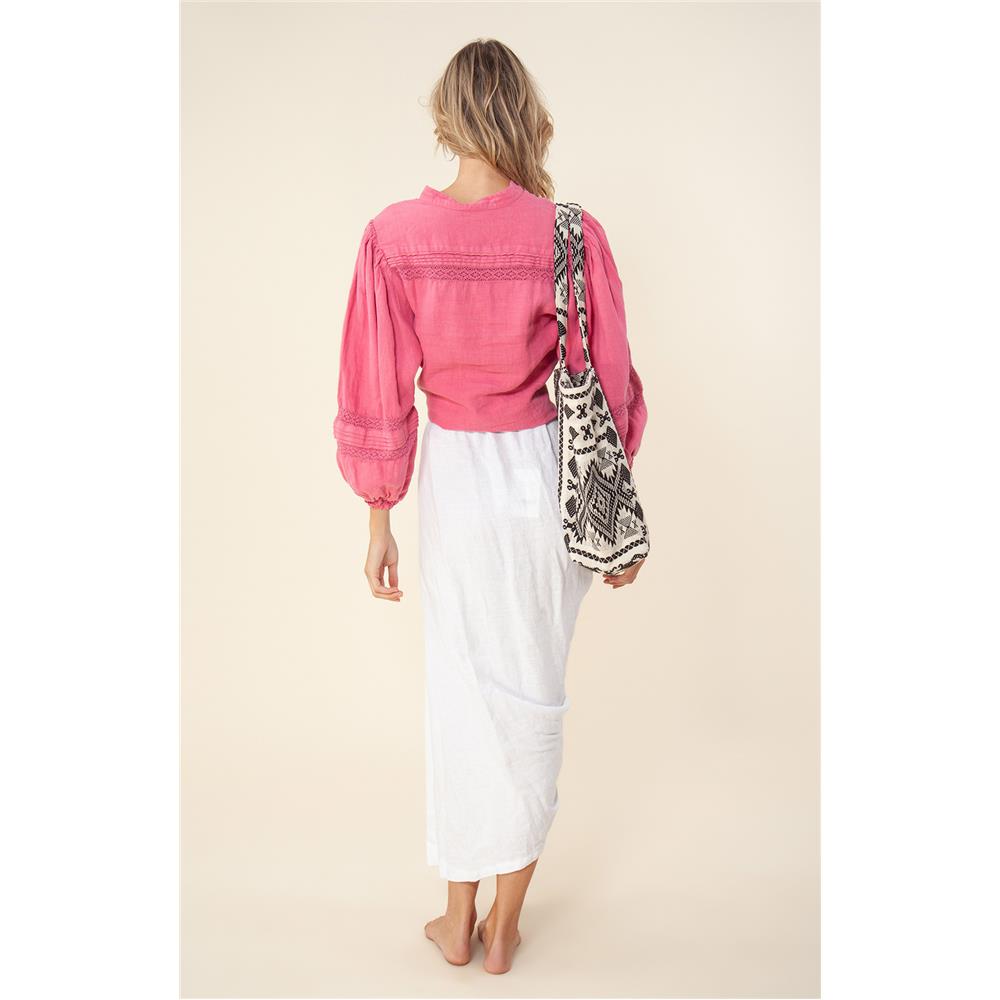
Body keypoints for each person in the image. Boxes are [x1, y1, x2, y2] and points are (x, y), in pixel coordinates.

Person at [333, 38, 648, 975]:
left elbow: (378, 388)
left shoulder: (395, 237)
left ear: (446, 117)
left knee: (463, 697)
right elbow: (610, 388)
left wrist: (380, 518)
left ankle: (457, 919)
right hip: (545, 478)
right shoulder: (567, 232)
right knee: (534, 694)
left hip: (458, 486)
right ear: (522, 115)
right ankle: (506, 925)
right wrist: (613, 515)